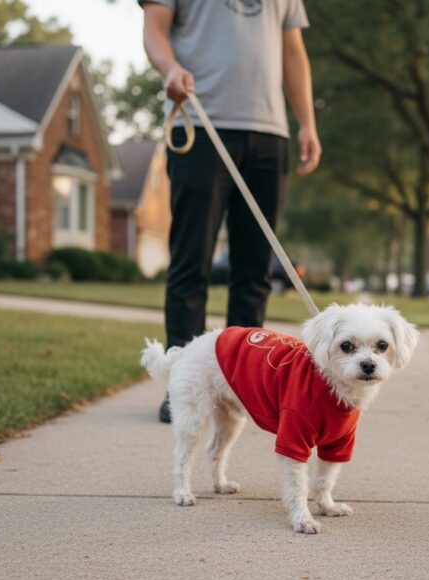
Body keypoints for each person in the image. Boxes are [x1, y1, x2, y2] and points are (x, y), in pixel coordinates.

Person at [140, 0, 321, 423]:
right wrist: (169, 68)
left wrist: (307, 122)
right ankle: (183, 388)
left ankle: (244, 388)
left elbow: (293, 50)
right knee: (192, 261)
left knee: (255, 270)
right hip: (200, 123)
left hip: (269, 133)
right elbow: (154, 30)